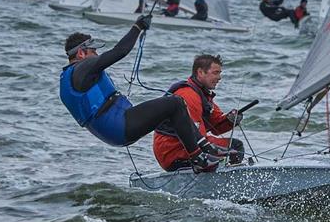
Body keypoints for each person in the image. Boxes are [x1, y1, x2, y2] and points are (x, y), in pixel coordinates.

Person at [59, 15, 220, 173]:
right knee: (175, 103)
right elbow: (120, 51)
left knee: (172, 113)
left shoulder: (68, 80)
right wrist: (138, 27)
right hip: (119, 126)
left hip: (112, 130)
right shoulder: (82, 68)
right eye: (93, 51)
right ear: (81, 53)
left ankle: (202, 150)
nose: (97, 55)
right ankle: (199, 159)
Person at [153, 54, 245, 171]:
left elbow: (216, 127)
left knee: (234, 146)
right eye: (216, 73)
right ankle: (226, 182)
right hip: (173, 152)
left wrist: (230, 120)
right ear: (200, 72)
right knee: (235, 147)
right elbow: (196, 136)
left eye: (220, 73)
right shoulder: (188, 95)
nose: (219, 77)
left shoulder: (202, 94)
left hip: (181, 149)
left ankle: (223, 179)